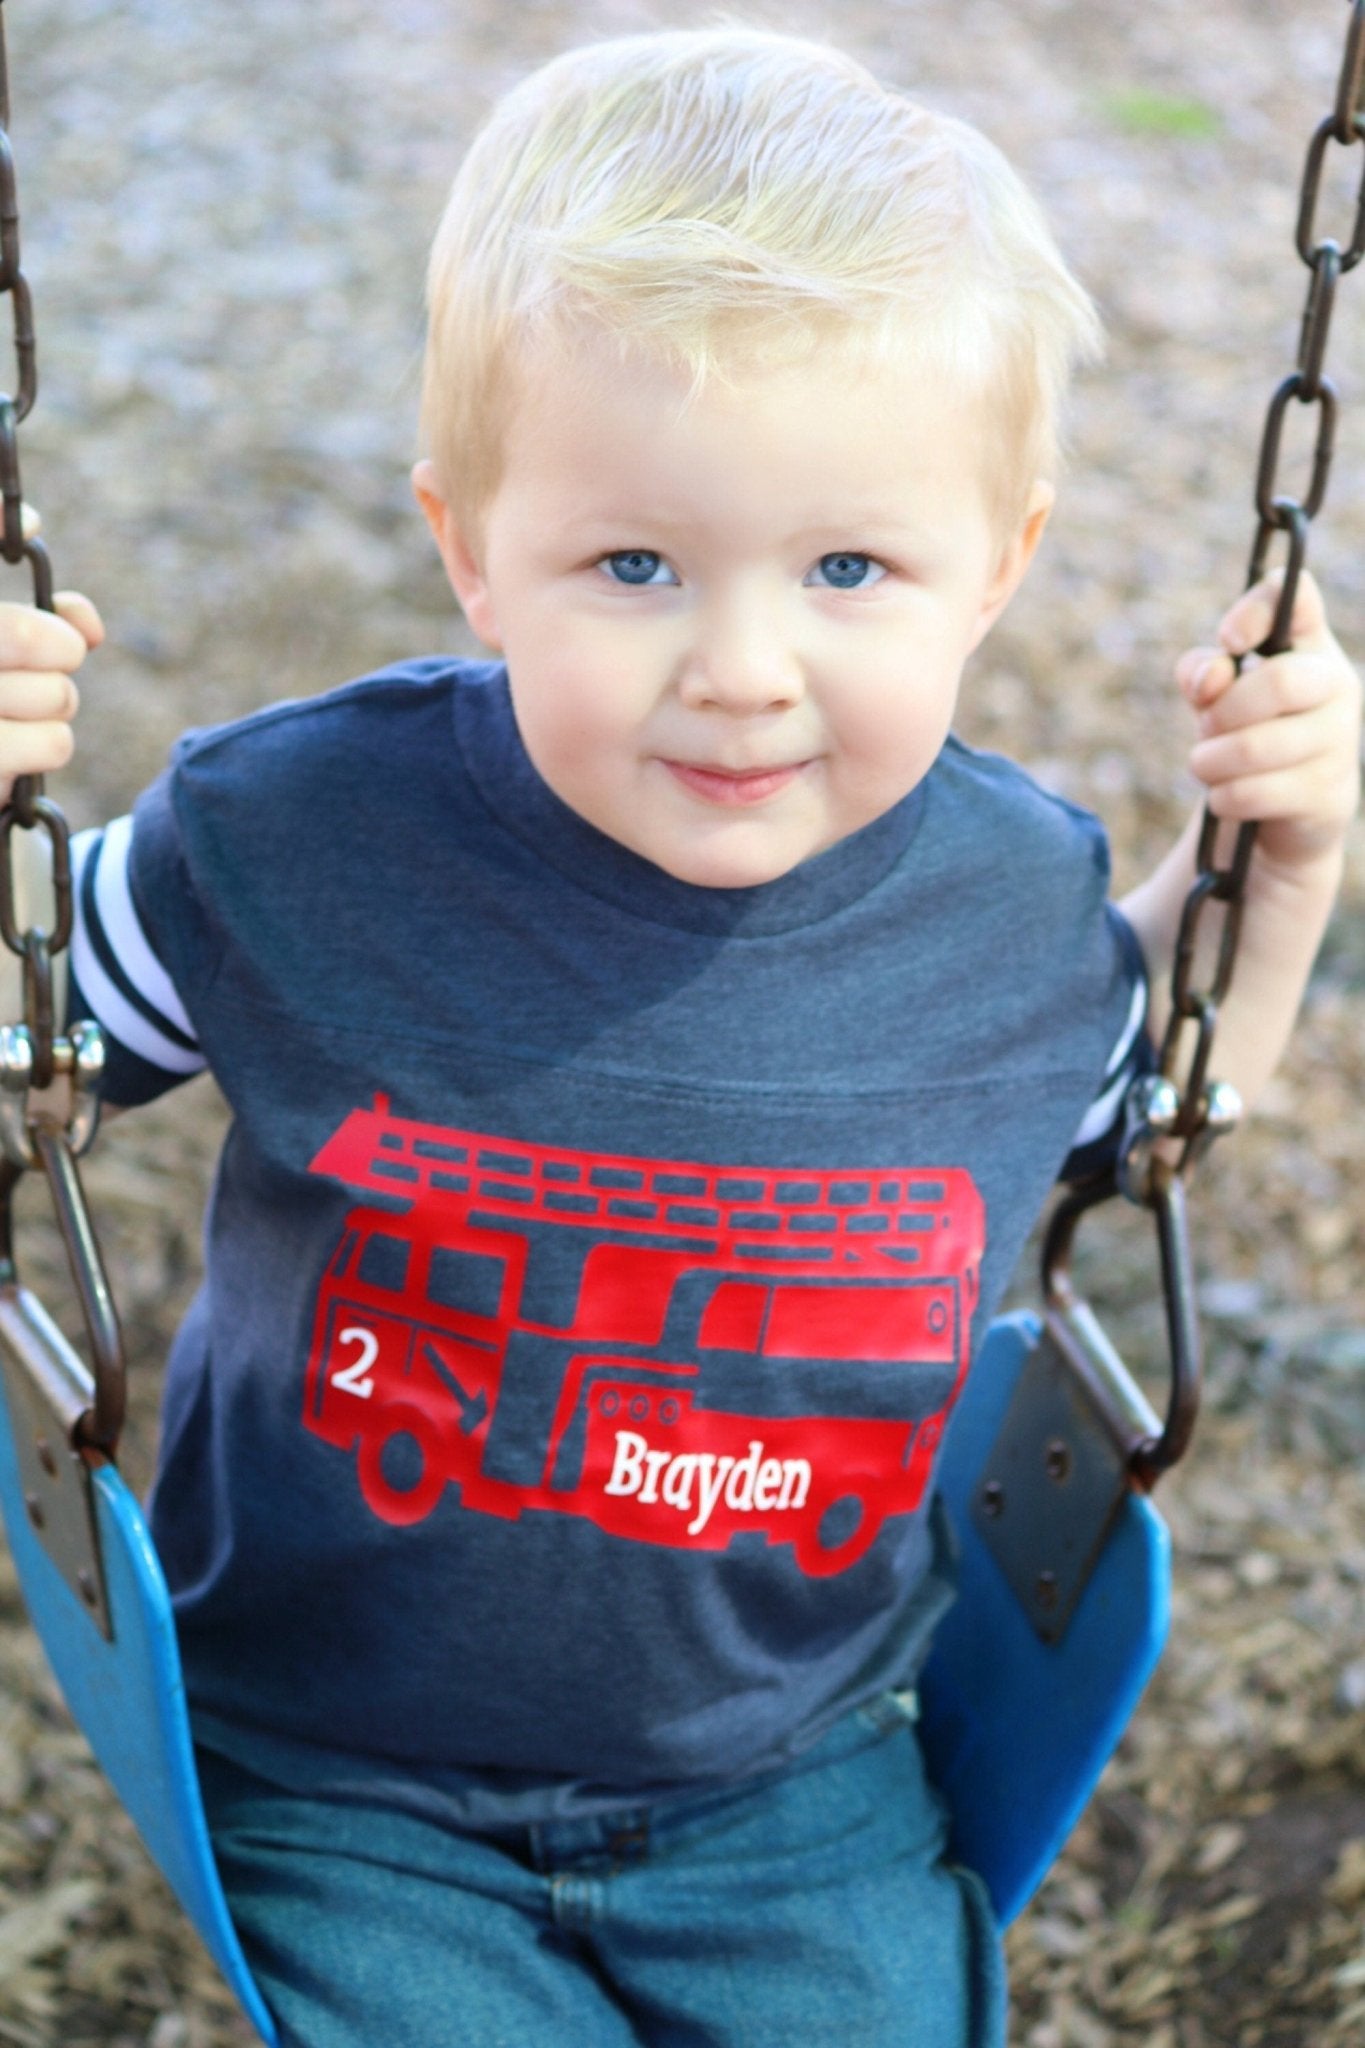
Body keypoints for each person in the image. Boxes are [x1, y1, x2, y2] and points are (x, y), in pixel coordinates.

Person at [1, 26, 1359, 2048]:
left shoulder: (1000, 919)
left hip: (788, 1780)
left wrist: (1280, 855)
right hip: (340, 1768)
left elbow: (1146, 1118)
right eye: (632, 564)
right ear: (469, 546)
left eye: (845, 567)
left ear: (994, 563)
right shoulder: (288, 844)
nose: (739, 670)